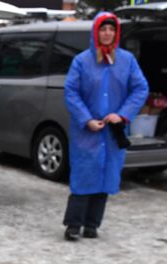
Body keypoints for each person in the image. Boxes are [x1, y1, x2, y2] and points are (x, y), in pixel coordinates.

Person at [62, 12, 149, 241]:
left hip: (113, 131)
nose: (107, 33)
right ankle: (73, 224)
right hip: (87, 131)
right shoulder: (82, 61)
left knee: (106, 177)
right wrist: (86, 118)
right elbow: (71, 92)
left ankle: (92, 225)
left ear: (116, 32)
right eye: (103, 29)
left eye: (111, 29)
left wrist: (122, 115)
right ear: (96, 31)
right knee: (83, 177)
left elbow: (140, 89)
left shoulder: (127, 60)